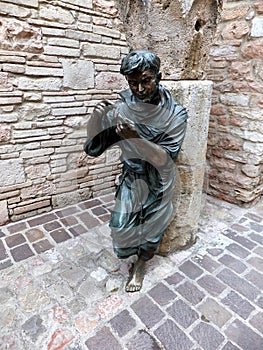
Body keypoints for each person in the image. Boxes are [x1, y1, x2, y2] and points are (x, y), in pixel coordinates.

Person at [84, 50, 188, 292]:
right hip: (132, 178)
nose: (139, 89)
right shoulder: (123, 108)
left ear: (158, 77)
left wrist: (136, 137)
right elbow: (93, 149)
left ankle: (141, 265)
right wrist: (95, 122)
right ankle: (132, 254)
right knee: (120, 230)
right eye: (133, 83)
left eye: (146, 80)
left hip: (158, 181)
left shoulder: (176, 114)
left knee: (152, 230)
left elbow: (164, 159)